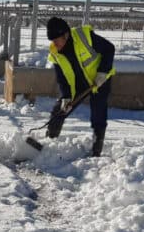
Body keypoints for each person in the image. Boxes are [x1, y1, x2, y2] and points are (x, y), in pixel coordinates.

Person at [45, 16, 116, 157]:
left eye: (56, 40)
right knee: (59, 112)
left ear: (66, 34)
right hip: (78, 86)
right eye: (52, 41)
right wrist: (66, 96)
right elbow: (62, 78)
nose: (55, 44)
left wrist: (102, 72)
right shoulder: (55, 52)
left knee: (98, 114)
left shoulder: (84, 36)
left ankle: (97, 149)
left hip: (98, 80)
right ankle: (48, 143)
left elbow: (109, 49)